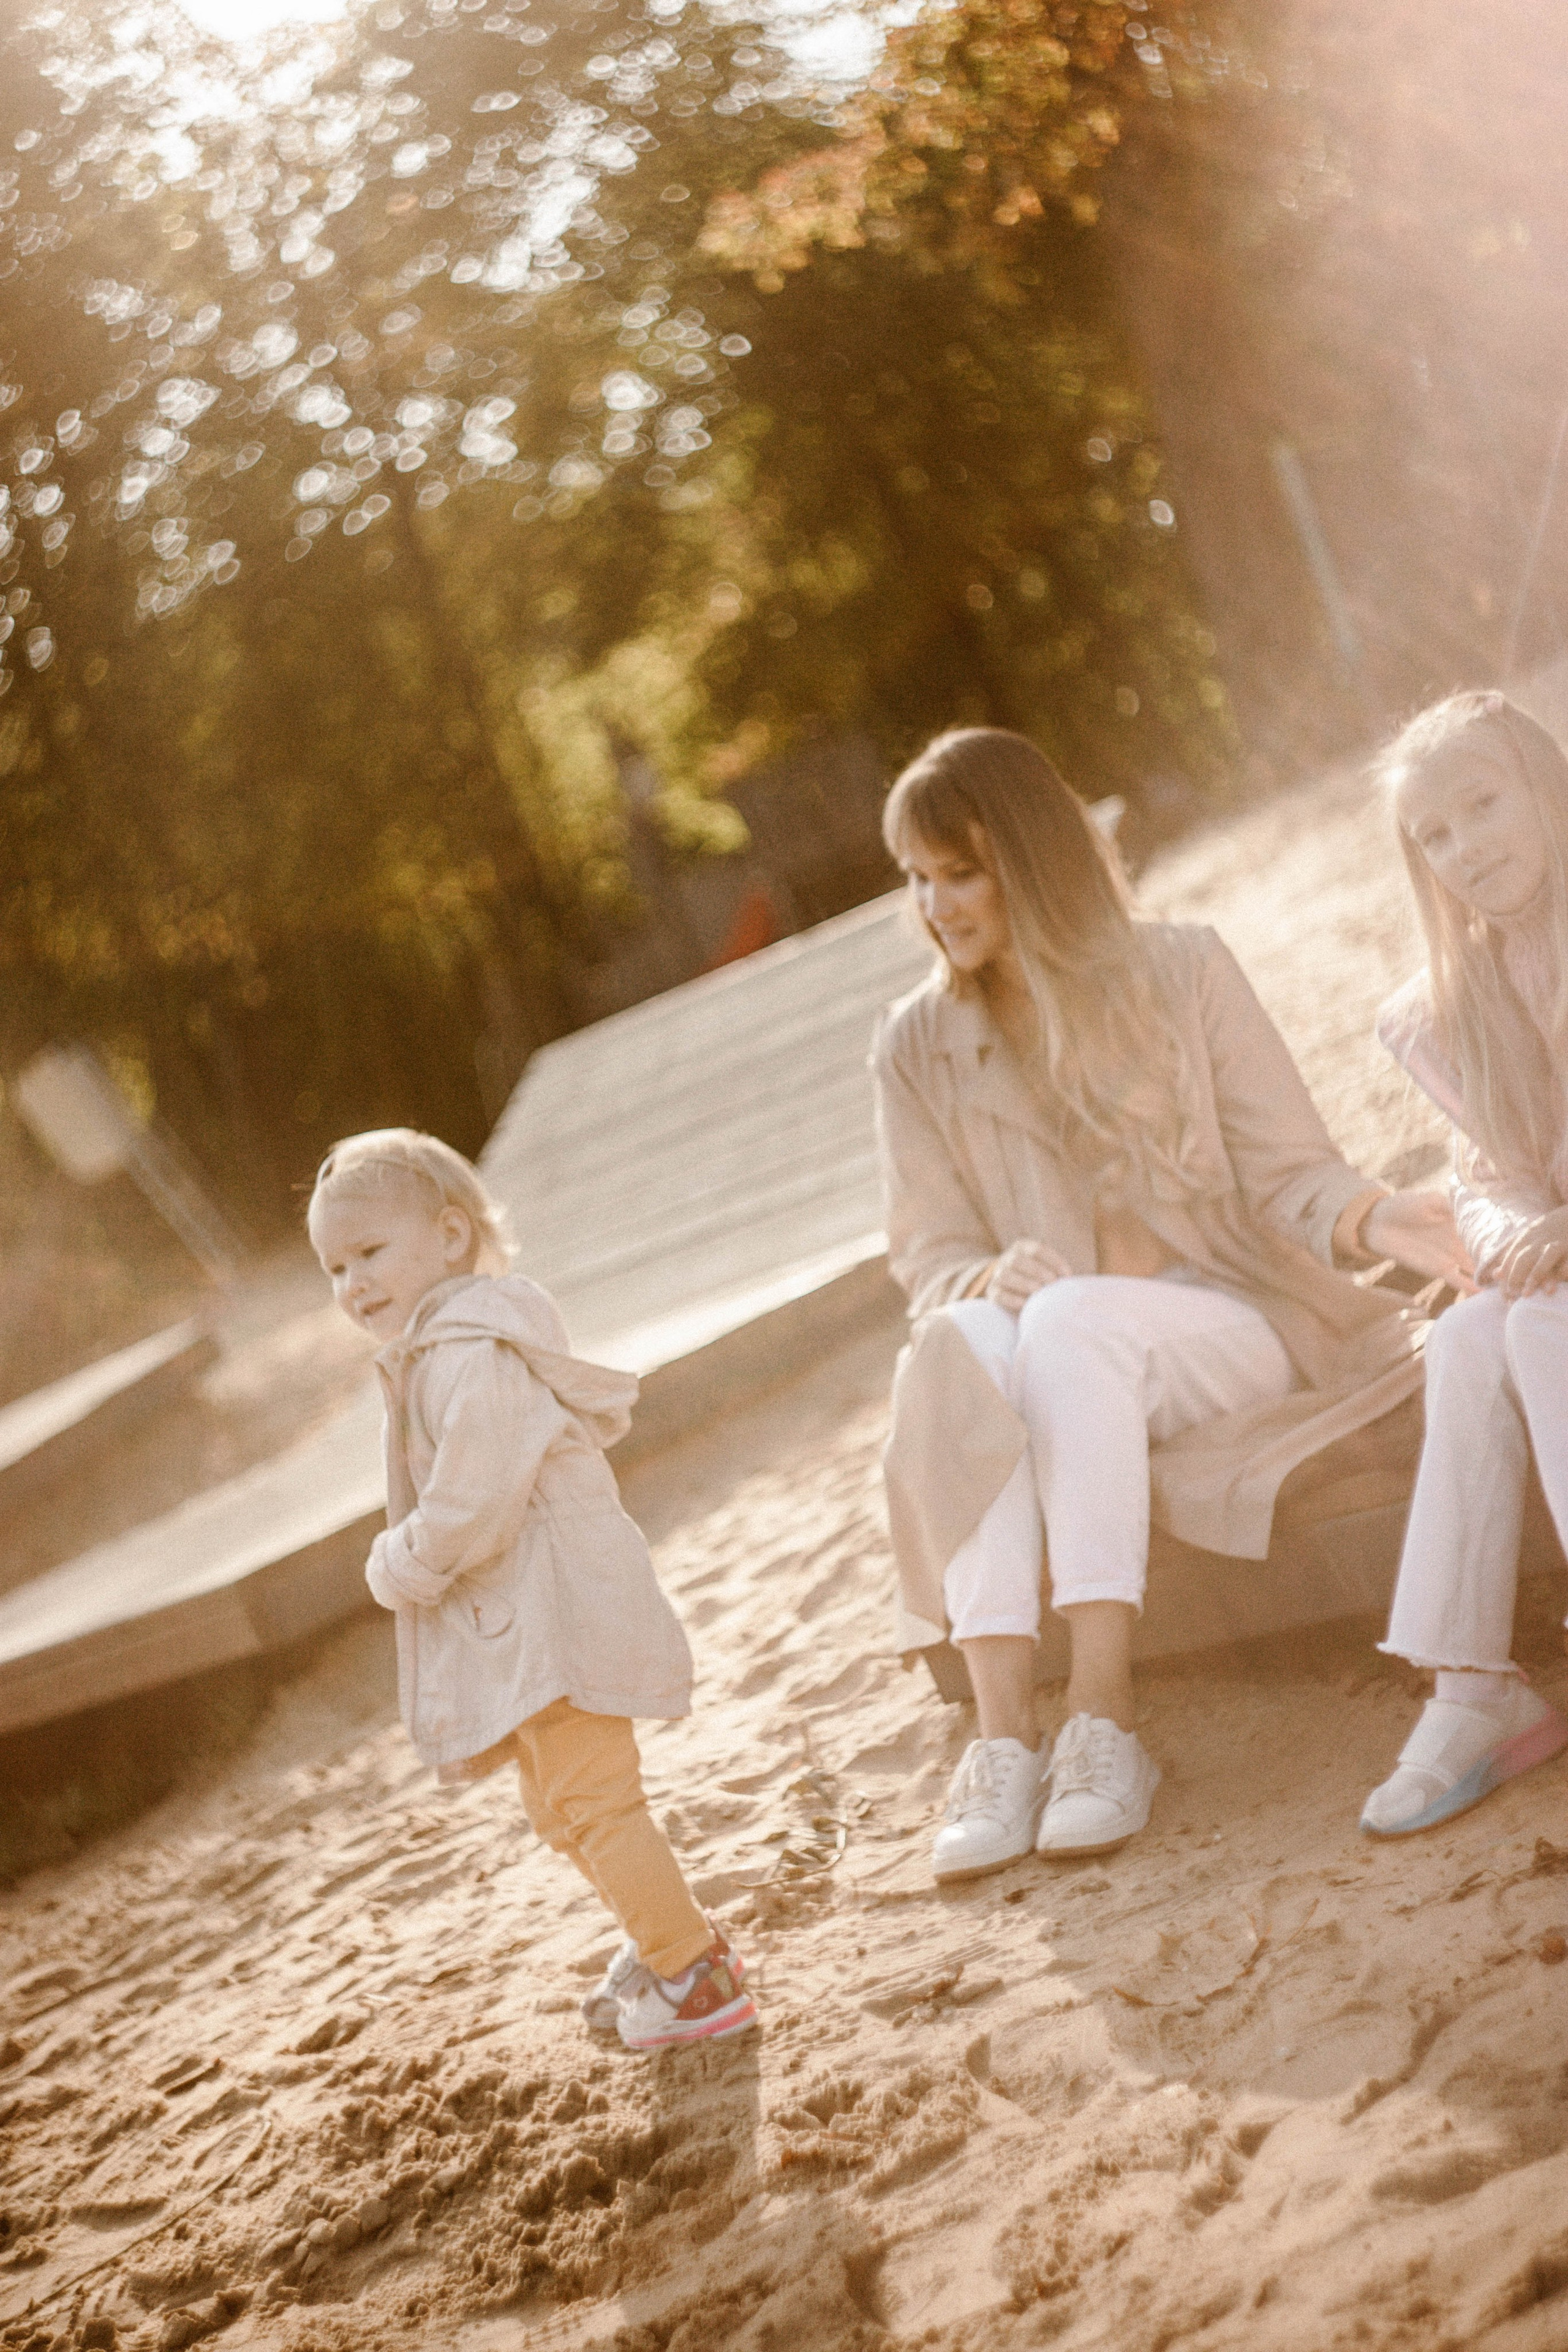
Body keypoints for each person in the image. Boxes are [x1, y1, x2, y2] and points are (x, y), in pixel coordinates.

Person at [872, 728, 1468, 1882]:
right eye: (916, 878)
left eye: (960, 871)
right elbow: (929, 1255)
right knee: (964, 1335)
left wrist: (1376, 1220)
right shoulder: (915, 1047)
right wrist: (980, 1279)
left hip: (1231, 1320)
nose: (934, 905)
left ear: (1032, 861)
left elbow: (1291, 1168)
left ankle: (1102, 1716)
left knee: (1066, 1321)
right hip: (1048, 1357)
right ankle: (1004, 1744)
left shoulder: (1185, 969)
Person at [307, 1128, 756, 2051]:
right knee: (558, 1809)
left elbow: (474, 1504)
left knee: (595, 1801)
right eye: (334, 1268)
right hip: (529, 1629)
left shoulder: (475, 1353)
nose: (352, 1284)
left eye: (369, 1253)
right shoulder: (438, 1349)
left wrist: (402, 1560)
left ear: (451, 1236)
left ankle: (691, 1974)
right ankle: (668, 1942)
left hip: (563, 1623)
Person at [1362, 692, 1568, 1835]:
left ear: (1544, 785)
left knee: (1537, 1322)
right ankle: (1473, 1686)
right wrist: (1511, 1236)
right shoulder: (1458, 1002)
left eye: (1483, 804)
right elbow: (1485, 1176)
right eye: (1433, 835)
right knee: (1472, 1328)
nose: (1465, 847)